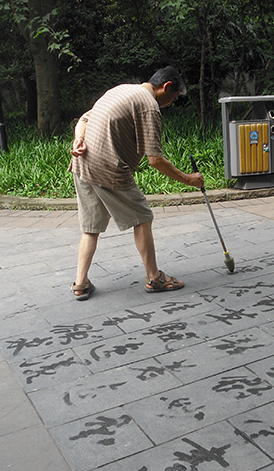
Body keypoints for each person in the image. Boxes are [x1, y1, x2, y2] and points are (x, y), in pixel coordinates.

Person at [69, 66, 204, 301]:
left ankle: (80, 283)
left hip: (82, 164)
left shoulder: (121, 90)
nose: (170, 104)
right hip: (109, 169)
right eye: (172, 98)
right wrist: (188, 179)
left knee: (90, 227)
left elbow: (83, 119)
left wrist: (79, 138)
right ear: (166, 86)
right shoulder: (149, 105)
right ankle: (154, 277)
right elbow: (155, 159)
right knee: (142, 218)